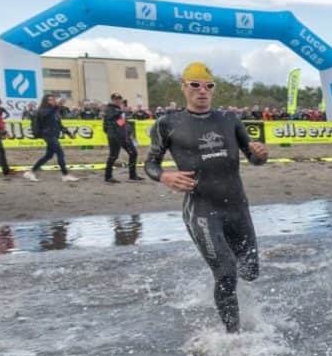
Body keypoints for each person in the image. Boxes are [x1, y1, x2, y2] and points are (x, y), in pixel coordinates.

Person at [145, 62, 269, 333]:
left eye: (208, 86)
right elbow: (150, 164)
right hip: (202, 210)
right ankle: (233, 338)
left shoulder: (229, 120)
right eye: (195, 85)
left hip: (237, 207)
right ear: (184, 87)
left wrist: (261, 154)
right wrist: (164, 176)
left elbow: (254, 159)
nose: (202, 91)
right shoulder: (167, 124)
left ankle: (223, 293)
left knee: (249, 272)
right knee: (225, 272)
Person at [24, 93, 78, 182]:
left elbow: (59, 125)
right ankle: (65, 174)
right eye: (51, 100)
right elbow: (47, 114)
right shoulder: (43, 110)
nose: (53, 101)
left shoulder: (54, 112)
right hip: (47, 135)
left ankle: (31, 172)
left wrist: (68, 133)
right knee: (60, 153)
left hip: (54, 135)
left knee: (48, 156)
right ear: (46, 101)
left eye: (54, 99)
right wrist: (57, 105)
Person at [103, 93, 142, 183]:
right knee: (113, 156)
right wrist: (122, 112)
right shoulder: (109, 109)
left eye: (119, 99)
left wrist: (126, 128)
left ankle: (132, 175)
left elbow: (119, 122)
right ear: (112, 100)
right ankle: (108, 176)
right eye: (116, 99)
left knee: (133, 153)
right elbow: (111, 119)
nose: (118, 100)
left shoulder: (119, 110)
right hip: (114, 136)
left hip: (123, 136)